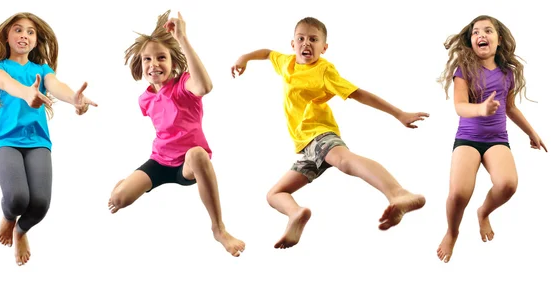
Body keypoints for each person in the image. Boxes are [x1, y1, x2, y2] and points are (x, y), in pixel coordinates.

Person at [231, 16, 428, 249]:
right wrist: (244, 58)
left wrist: (399, 113)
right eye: (301, 38)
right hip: (307, 148)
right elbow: (266, 53)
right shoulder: (286, 63)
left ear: (324, 48)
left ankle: (398, 193)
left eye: (313, 39)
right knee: (275, 194)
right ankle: (295, 214)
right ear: (292, 44)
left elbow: (358, 93)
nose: (306, 43)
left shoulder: (324, 71)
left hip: (320, 134)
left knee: (345, 161)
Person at [107, 10, 246, 257]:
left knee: (197, 154)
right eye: (147, 59)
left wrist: (182, 38)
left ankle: (219, 229)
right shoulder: (145, 99)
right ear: (140, 64)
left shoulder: (183, 85)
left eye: (161, 57)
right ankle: (125, 186)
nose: (154, 64)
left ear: (173, 62)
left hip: (187, 165)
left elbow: (205, 86)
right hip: (160, 162)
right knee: (118, 200)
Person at [0, 12, 97, 266]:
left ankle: (20, 231)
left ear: (36, 41)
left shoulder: (41, 70)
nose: (24, 36)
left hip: (38, 141)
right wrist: (27, 92)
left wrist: (74, 98)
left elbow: (56, 84)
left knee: (39, 204)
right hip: (6, 141)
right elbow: (5, 83)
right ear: (7, 36)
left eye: (30, 32)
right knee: (17, 199)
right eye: (18, 30)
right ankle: (8, 217)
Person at [436, 15, 548, 263]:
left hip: (497, 139)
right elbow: (460, 106)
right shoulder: (464, 70)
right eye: (476, 32)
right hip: (468, 138)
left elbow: (510, 108)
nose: (481, 35)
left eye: (487, 31)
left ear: (499, 40)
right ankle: (452, 232)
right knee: (458, 194)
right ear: (471, 40)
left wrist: (532, 132)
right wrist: (481, 109)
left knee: (508, 184)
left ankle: (483, 212)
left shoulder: (507, 74)